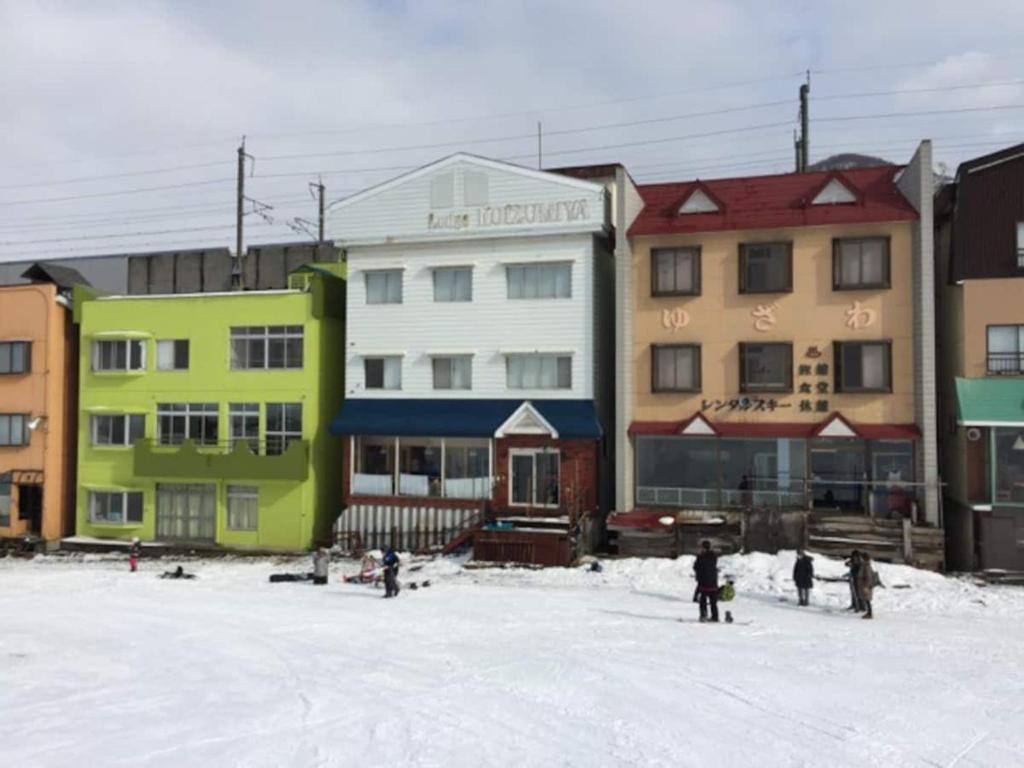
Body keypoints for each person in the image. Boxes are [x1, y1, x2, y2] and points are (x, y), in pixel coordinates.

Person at [693, 540, 719, 622]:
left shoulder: (701, 557)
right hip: (713, 581)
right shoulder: (714, 556)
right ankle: (715, 617)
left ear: (703, 548)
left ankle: (703, 615)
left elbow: (696, 567)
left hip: (704, 581)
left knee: (703, 600)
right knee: (713, 601)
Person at [857, 552, 876, 619]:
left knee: (867, 600)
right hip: (864, 585)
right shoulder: (864, 565)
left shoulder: (866, 566)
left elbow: (868, 577)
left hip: (866, 586)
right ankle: (868, 613)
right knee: (866, 599)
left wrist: (866, 586)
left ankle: (870, 613)